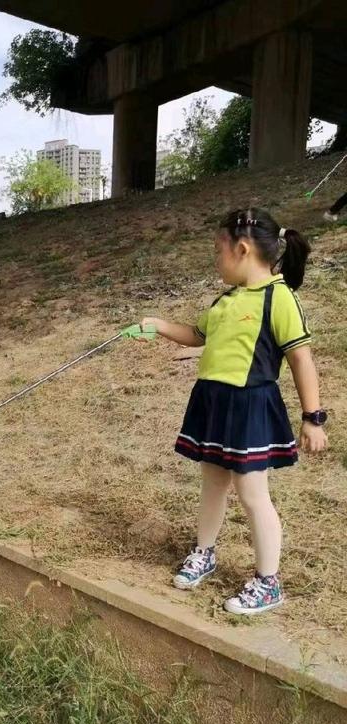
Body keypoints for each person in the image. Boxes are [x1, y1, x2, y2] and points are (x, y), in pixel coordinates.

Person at [138, 209, 328, 615]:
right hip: (213, 403)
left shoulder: (278, 298)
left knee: (252, 493)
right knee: (212, 482)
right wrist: (158, 325)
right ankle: (204, 553)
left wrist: (313, 418)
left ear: (242, 249)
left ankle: (268, 582)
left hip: (250, 407)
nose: (215, 259)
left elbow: (301, 360)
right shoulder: (227, 299)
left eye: (218, 250)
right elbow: (198, 335)